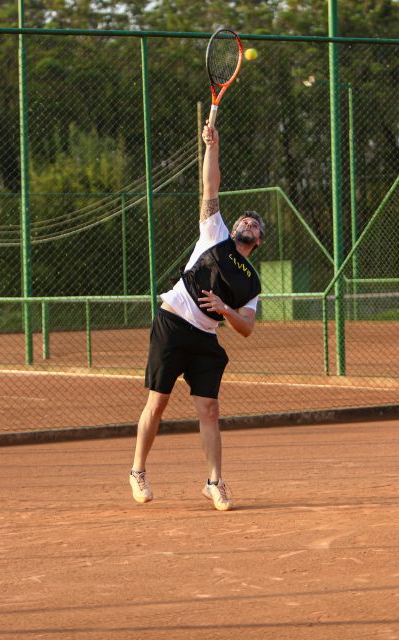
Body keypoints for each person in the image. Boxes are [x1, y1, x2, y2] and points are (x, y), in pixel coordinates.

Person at [129, 121, 265, 511]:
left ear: (258, 241)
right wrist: (212, 146)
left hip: (205, 336)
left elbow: (247, 328)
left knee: (209, 409)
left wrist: (225, 310)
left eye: (255, 225)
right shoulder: (215, 233)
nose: (247, 223)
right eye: (244, 220)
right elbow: (210, 186)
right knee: (158, 402)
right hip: (173, 324)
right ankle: (137, 471)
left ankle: (214, 482)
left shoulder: (251, 282)